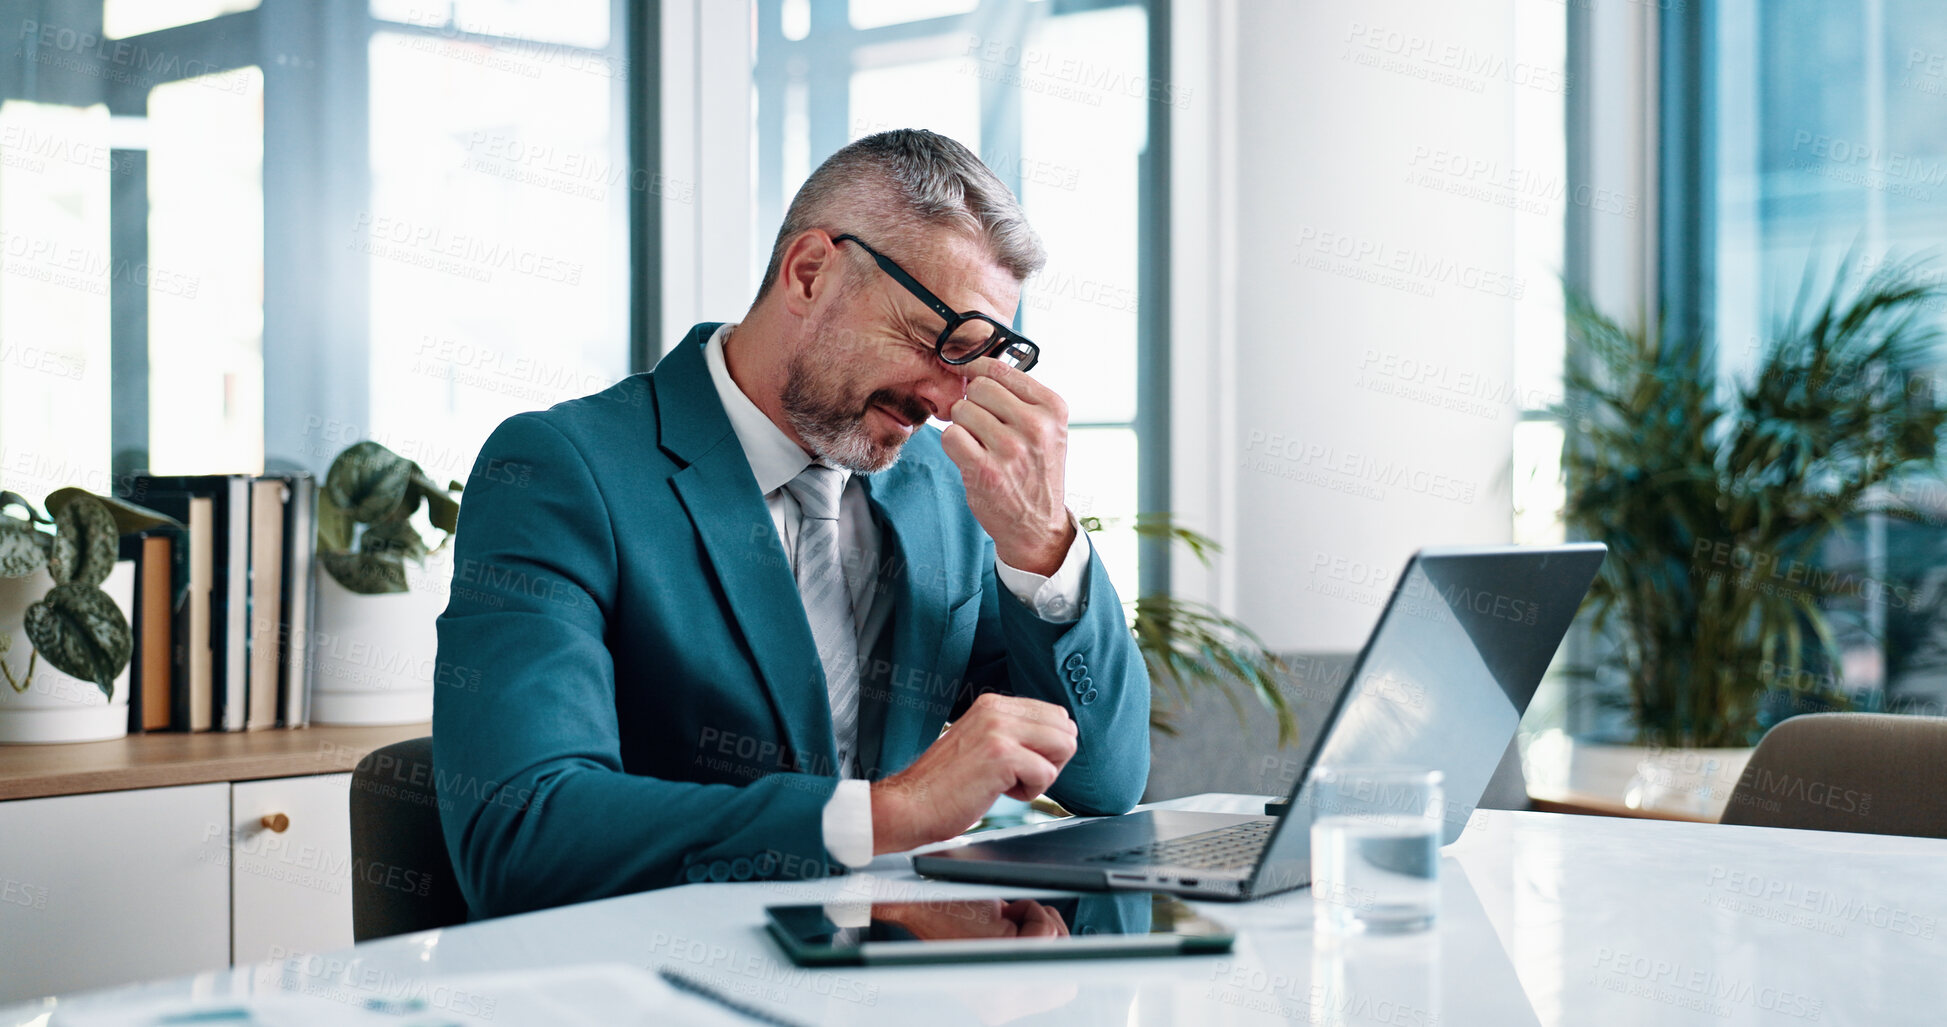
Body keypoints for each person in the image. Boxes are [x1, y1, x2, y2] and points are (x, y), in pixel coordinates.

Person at [433, 128, 1150, 919]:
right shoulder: (562, 470)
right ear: (809, 273)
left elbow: (1105, 780)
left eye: (979, 361)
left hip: (895, 976)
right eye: (936, 341)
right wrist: (889, 813)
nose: (950, 401)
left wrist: (1039, 538)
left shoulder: (941, 491)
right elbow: (520, 834)